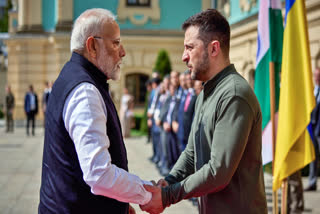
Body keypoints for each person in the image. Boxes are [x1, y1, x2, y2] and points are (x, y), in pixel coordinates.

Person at [140, 9, 267, 214]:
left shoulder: (233, 95)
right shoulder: (207, 92)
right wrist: (169, 181)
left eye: (190, 47)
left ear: (214, 48)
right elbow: (191, 154)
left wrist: (167, 196)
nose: (184, 56)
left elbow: (218, 171)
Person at [38, 8, 152, 214]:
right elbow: (99, 174)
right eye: (116, 43)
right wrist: (147, 195)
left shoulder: (72, 76)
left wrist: (121, 205)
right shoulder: (85, 91)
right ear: (92, 46)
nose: (123, 51)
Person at [305, 67, 320, 191]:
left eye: (318, 75)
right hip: (312, 130)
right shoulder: (313, 91)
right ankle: (312, 182)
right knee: (312, 157)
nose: (317, 78)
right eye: (315, 75)